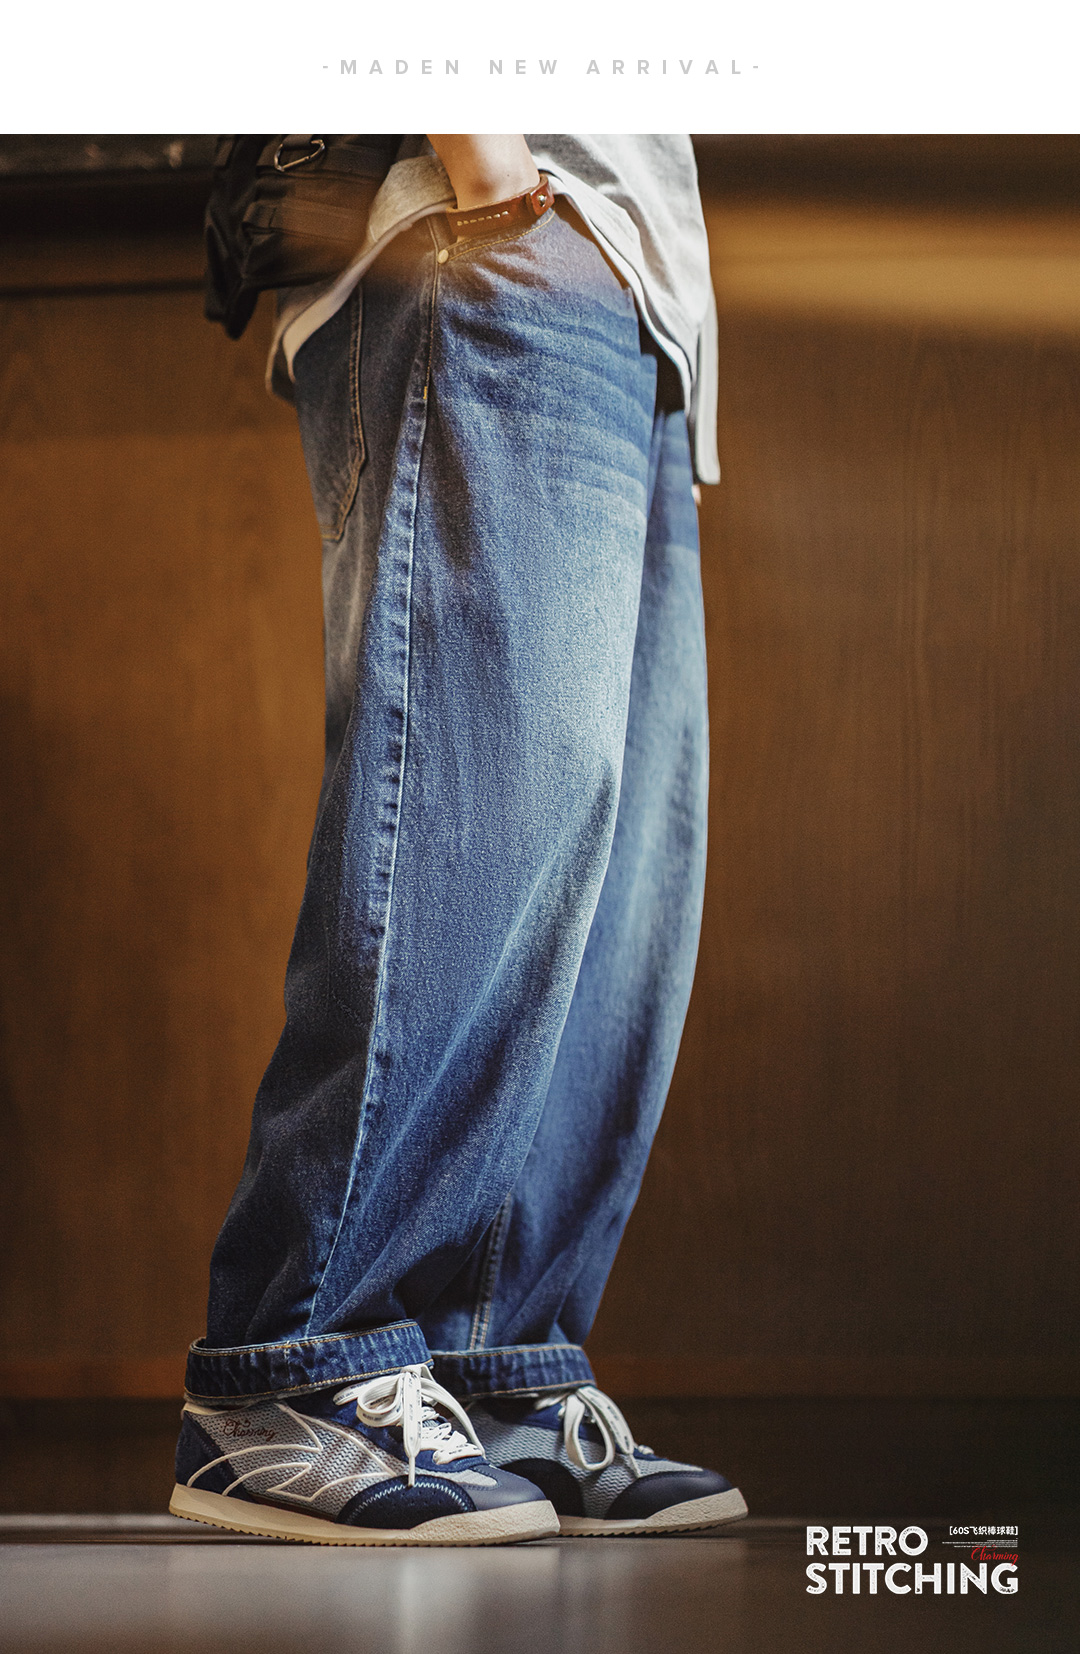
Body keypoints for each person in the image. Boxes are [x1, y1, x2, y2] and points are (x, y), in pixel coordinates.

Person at [171, 134, 748, 1545]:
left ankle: (491, 1369)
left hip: (631, 294)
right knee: (470, 815)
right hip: (492, 224)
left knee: (603, 881)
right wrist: (489, 162)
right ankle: (296, 1361)